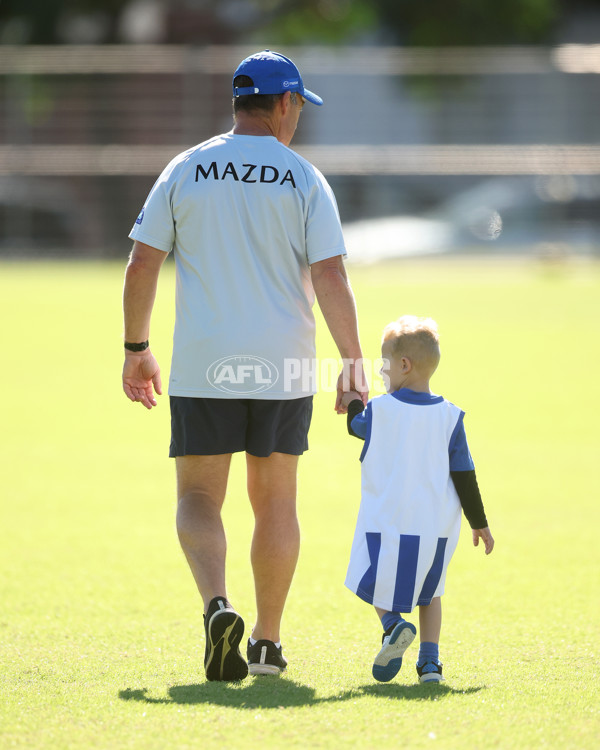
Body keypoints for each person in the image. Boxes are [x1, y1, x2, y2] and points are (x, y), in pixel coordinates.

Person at [122, 49, 367, 682]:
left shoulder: (185, 167)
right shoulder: (303, 178)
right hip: (284, 364)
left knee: (200, 495)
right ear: (285, 104)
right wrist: (353, 362)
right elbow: (330, 272)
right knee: (276, 503)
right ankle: (266, 642)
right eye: (297, 110)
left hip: (205, 362)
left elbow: (142, 263)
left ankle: (216, 606)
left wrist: (136, 349)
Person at [341, 315, 493, 684]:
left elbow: (355, 426)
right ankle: (429, 664)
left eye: (385, 363)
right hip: (436, 527)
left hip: (388, 522)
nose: (381, 370)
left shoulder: (381, 410)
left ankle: (392, 625)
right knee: (431, 592)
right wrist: (479, 523)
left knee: (372, 578)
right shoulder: (450, 417)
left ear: (404, 365)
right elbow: (465, 475)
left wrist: (352, 402)